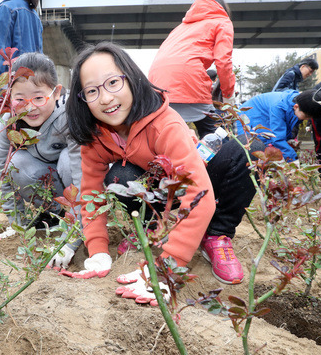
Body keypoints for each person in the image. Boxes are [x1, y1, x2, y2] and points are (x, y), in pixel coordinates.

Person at [64, 42, 262, 301]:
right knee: (120, 178)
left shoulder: (164, 123)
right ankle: (151, 229)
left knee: (249, 151)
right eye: (91, 91)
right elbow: (91, 193)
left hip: (196, 179)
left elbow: (198, 193)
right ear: (82, 100)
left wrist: (168, 267)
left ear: (133, 79)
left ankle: (216, 234)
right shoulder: (95, 137)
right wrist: (98, 250)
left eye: (113, 83)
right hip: (161, 191)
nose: (106, 98)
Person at [0, 52, 83, 268]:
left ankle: (73, 220)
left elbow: (82, 176)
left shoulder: (70, 116)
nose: (30, 107)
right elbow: (1, 172)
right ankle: (52, 214)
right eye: (20, 99)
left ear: (57, 92)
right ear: (9, 96)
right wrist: (16, 225)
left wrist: (70, 242)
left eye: (39, 97)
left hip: (72, 186)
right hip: (45, 185)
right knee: (14, 162)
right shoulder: (9, 123)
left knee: (68, 160)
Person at [148, 0, 236, 139]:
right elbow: (223, 61)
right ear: (223, 9)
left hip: (157, 83)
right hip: (187, 80)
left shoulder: (181, 27)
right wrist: (228, 94)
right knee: (217, 138)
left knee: (166, 137)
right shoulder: (222, 21)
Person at [236, 90, 321, 162]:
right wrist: (293, 160)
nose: (307, 119)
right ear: (296, 106)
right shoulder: (279, 106)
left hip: (264, 115)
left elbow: (286, 127)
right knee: (256, 147)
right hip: (250, 115)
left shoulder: (300, 102)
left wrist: (289, 140)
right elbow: (277, 138)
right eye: (307, 116)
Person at [0, 0, 42, 94]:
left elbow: (0, 52)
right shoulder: (34, 15)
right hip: (34, 85)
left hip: (15, 86)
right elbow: (40, 56)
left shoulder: (6, 8)